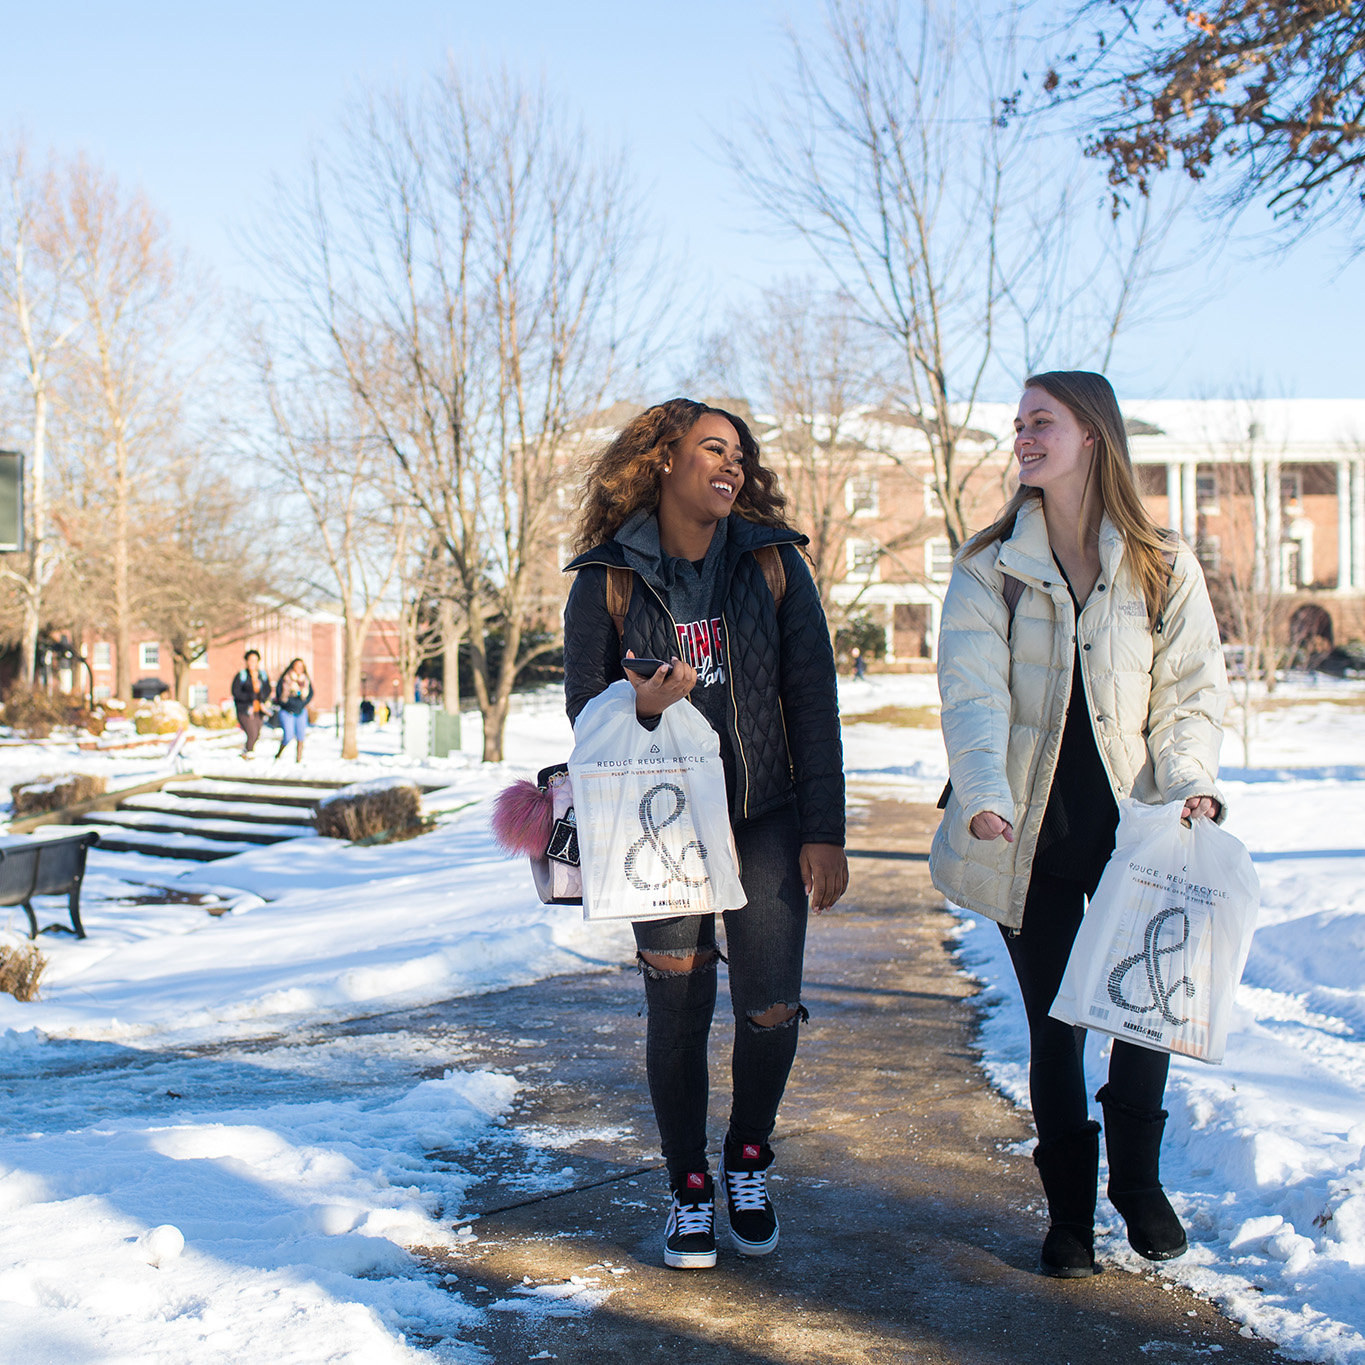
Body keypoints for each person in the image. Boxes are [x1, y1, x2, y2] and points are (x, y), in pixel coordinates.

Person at [929, 371, 1228, 1278]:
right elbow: (972, 696)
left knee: (1142, 1011)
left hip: (1139, 828)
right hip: (1025, 830)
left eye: (1040, 421)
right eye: (1017, 424)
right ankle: (1067, 1219)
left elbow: (1189, 693)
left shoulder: (1161, 563)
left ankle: (1136, 1186)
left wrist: (1188, 784)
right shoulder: (990, 567)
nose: (1022, 436)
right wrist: (982, 793)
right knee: (1055, 1020)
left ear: (1091, 433)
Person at [563, 398, 848, 1270]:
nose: (729, 464)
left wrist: (825, 828)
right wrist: (639, 705)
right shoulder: (606, 576)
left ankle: (747, 1155)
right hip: (662, 827)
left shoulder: (770, 562)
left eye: (738, 454)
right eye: (710, 448)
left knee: (768, 1008)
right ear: (661, 460)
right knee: (677, 1004)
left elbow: (812, 698)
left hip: (765, 820)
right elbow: (585, 712)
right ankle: (687, 1183)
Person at [231, 650, 270, 757]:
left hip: (259, 709)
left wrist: (261, 697)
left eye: (254, 661)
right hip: (244, 709)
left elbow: (267, 690)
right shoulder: (241, 676)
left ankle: (247, 752)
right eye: (250, 660)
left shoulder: (262, 675)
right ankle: (248, 754)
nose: (252, 663)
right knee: (251, 733)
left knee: (256, 733)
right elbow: (236, 692)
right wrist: (250, 697)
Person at [274, 657, 313, 763]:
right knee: (288, 735)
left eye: (301, 666)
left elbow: (310, 694)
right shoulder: (285, 679)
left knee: (301, 735)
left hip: (301, 711)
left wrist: (302, 703)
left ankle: (298, 759)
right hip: (288, 711)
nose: (299, 668)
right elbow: (280, 695)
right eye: (297, 666)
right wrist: (290, 703)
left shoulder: (306, 680)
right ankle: (279, 754)